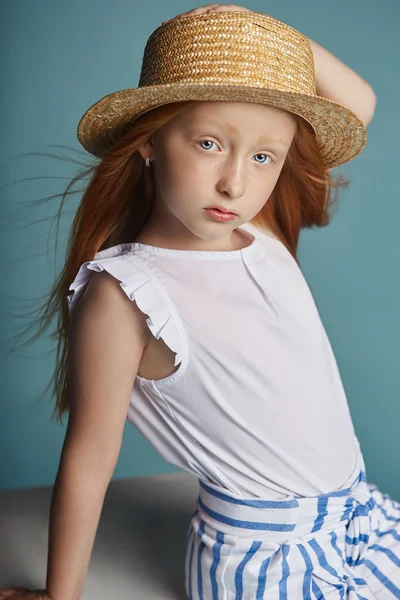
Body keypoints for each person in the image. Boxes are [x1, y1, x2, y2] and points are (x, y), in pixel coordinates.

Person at [2, 4, 398, 600]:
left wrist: (254, 29)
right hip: (267, 561)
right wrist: (61, 598)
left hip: (359, 521)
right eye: (209, 142)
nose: (234, 183)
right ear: (150, 141)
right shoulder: (128, 291)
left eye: (264, 156)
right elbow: (88, 459)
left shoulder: (257, 229)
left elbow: (359, 105)